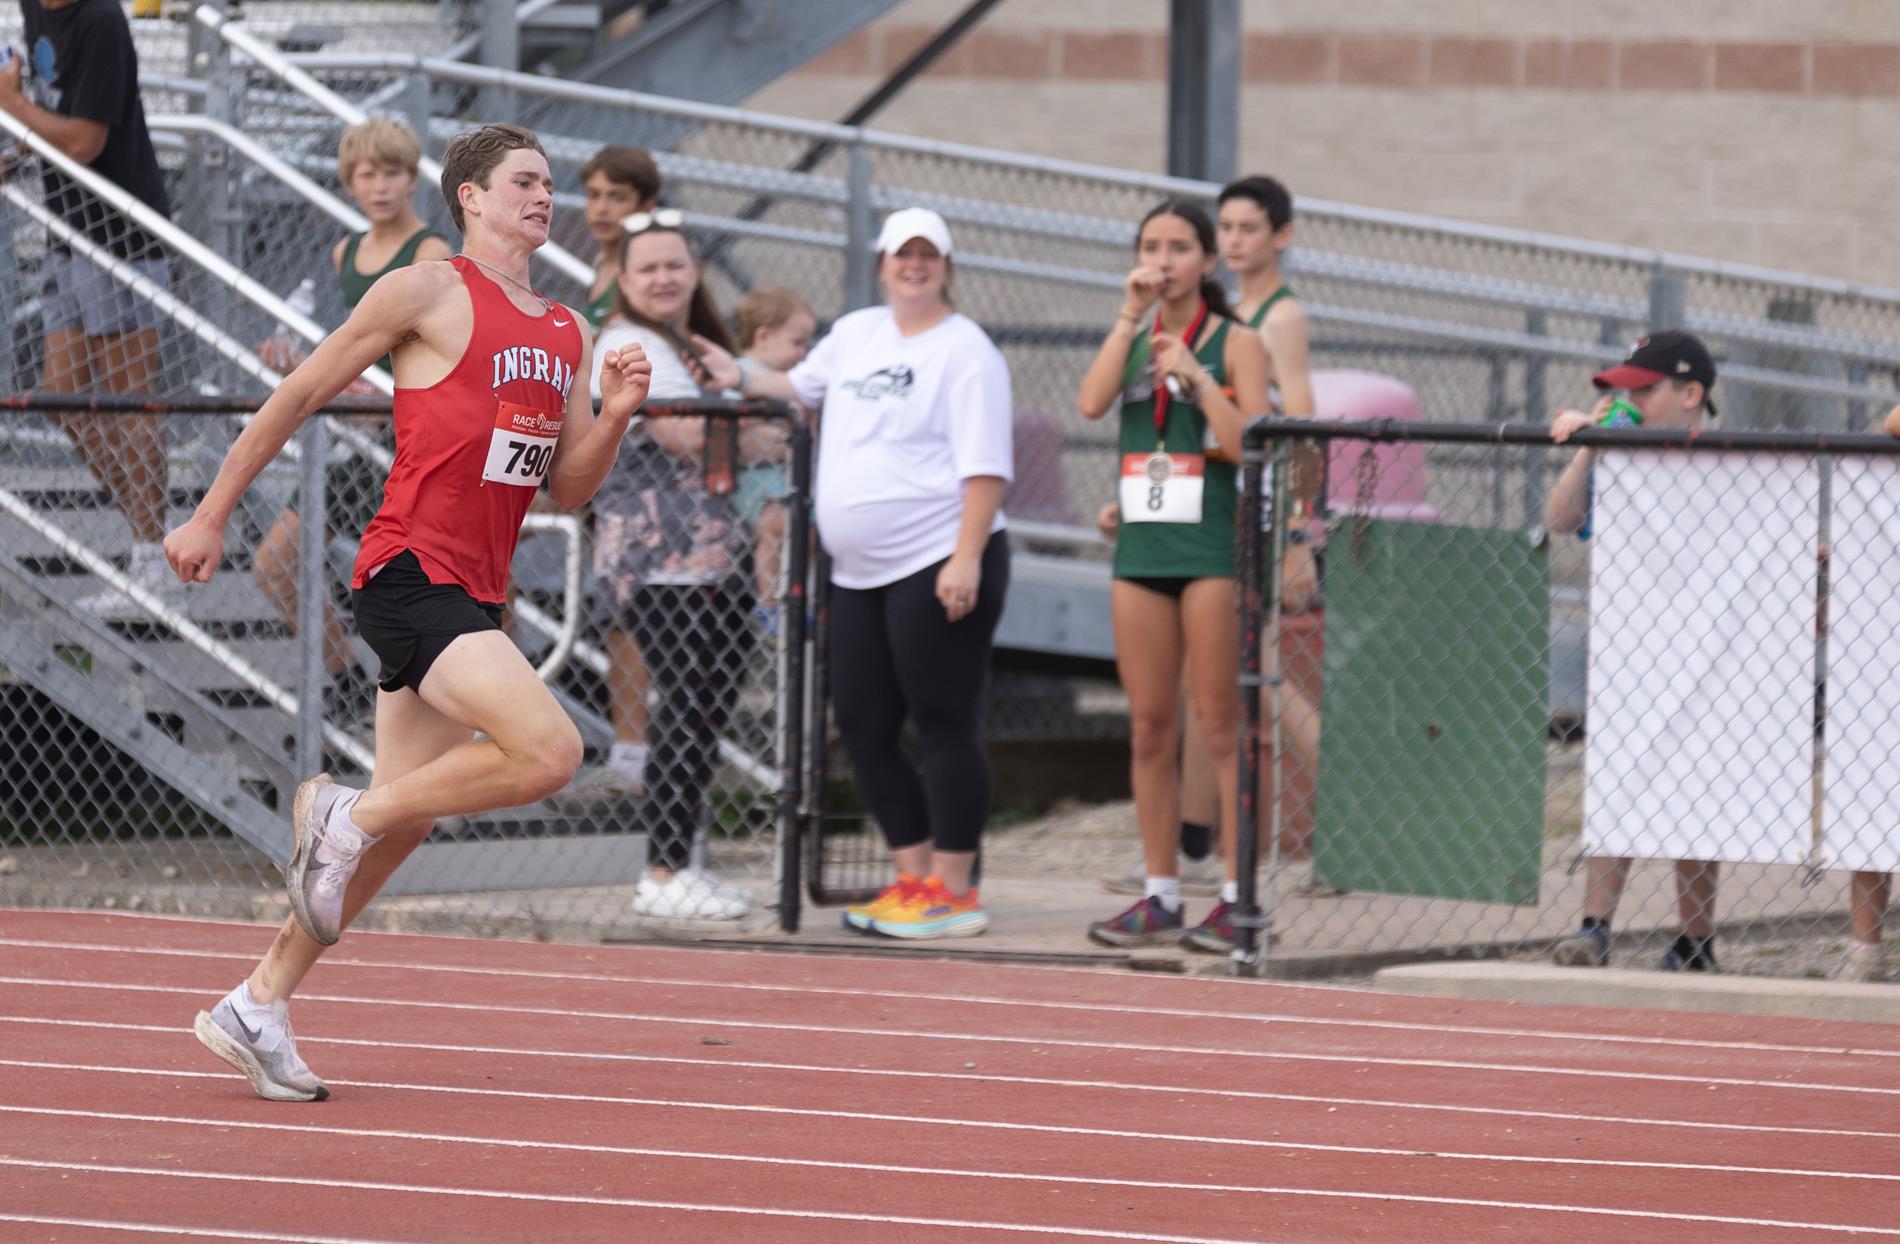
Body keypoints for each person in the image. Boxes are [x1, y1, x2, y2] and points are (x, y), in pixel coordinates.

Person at [167, 123, 652, 1101]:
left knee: (401, 829)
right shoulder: (429, 287)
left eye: (550, 183)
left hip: (477, 593)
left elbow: (565, 488)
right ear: (468, 195)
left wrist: (617, 414)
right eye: (524, 180)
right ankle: (342, 807)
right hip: (405, 573)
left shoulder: (567, 329)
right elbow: (302, 389)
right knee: (551, 753)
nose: (543, 196)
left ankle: (257, 1002)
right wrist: (213, 508)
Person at [706, 207, 1014, 940]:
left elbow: (985, 467)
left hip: (937, 559)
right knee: (865, 725)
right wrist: (730, 369)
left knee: (942, 723)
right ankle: (913, 877)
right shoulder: (855, 335)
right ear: (881, 263)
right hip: (857, 572)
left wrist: (965, 557)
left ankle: (955, 888)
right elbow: (796, 388)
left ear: (945, 265)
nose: (914, 265)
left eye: (927, 255)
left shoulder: (966, 351)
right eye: (901, 254)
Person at [1075, 200, 1269, 954]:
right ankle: (1158, 895)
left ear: (1207, 260)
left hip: (1212, 549)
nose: (1163, 260)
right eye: (1151, 246)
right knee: (1150, 725)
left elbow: (1246, 442)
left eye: (1179, 247)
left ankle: (1233, 895)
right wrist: (1129, 319)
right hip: (1143, 551)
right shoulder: (1129, 333)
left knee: (1220, 725)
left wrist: (1195, 376)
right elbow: (1092, 404)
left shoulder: (1236, 341)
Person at [582, 209, 757, 920]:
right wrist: (754, 428)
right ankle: (661, 871)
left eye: (675, 265)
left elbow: (716, 434)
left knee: (705, 708)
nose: (664, 277)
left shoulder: (689, 344)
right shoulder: (626, 341)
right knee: (683, 707)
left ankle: (682, 862)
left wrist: (738, 423)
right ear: (623, 279)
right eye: (648, 267)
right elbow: (688, 437)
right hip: (658, 562)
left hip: (715, 558)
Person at [253, 118, 451, 723]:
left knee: (455, 582)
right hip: (352, 446)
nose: (381, 186)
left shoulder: (432, 252)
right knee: (273, 563)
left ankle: (481, 687)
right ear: (349, 184)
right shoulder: (344, 252)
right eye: (368, 174)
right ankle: (342, 679)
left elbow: (439, 344)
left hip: (412, 441)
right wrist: (292, 354)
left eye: (393, 173)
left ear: (413, 179)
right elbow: (338, 337)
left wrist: (378, 375)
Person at [1547, 330, 1722, 973]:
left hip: (1713, 647)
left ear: (1690, 394)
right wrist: (1587, 449)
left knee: (1696, 783)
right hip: (1632, 644)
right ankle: (1595, 927)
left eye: (1644, 392)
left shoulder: (1732, 461)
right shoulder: (1620, 459)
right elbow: (1561, 519)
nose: (1631, 403)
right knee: (1617, 772)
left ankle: (1695, 939)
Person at [4, 0, 176, 617]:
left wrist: (11, 106)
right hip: (68, 230)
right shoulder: (34, 8)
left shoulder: (101, 18)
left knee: (131, 398)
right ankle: (150, 540)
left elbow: (83, 139)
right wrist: (16, 153)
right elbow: (55, 113)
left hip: (123, 235)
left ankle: (153, 560)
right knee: (62, 397)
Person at [731, 285, 816, 633]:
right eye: (797, 343)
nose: (803, 353)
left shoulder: (791, 382)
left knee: (807, 529)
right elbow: (728, 422)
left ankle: (798, 595)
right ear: (764, 336)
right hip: (753, 478)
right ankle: (769, 603)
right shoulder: (738, 371)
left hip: (783, 477)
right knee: (774, 524)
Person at [578, 145, 661, 332]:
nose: (601, 208)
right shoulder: (602, 261)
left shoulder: (649, 270)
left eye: (617, 197)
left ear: (646, 206)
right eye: (593, 195)